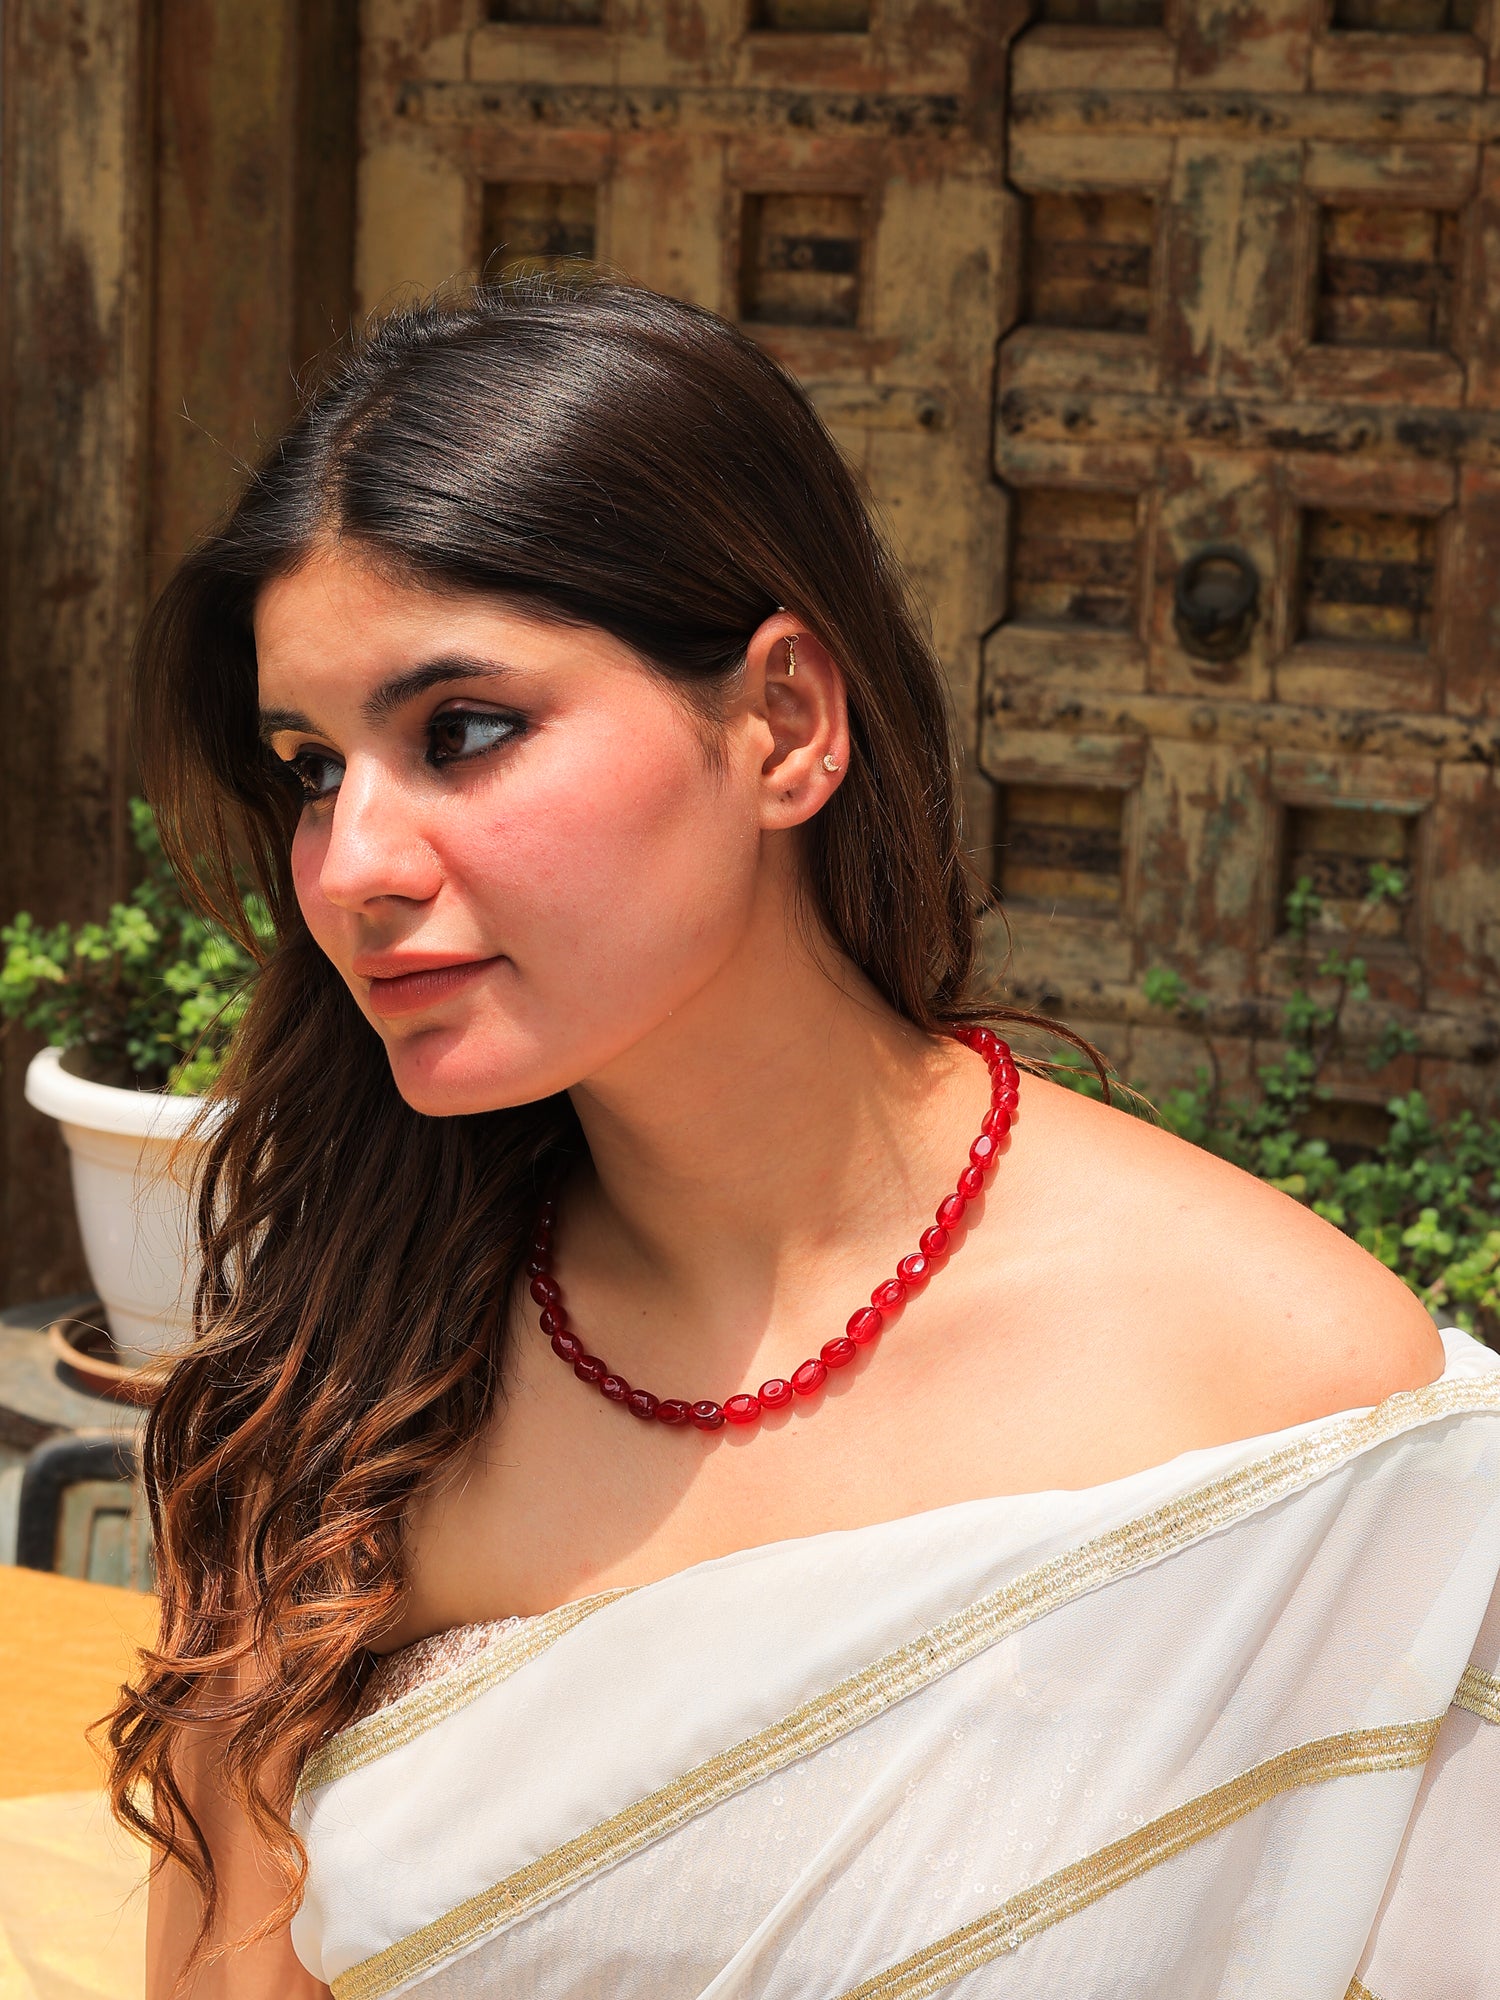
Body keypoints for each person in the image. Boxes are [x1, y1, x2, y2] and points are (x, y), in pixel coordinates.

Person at [112, 278, 1500, 2000]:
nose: (354, 868)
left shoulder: (1303, 1410)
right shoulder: (341, 1385)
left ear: (782, 723)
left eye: (462, 732)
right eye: (314, 770)